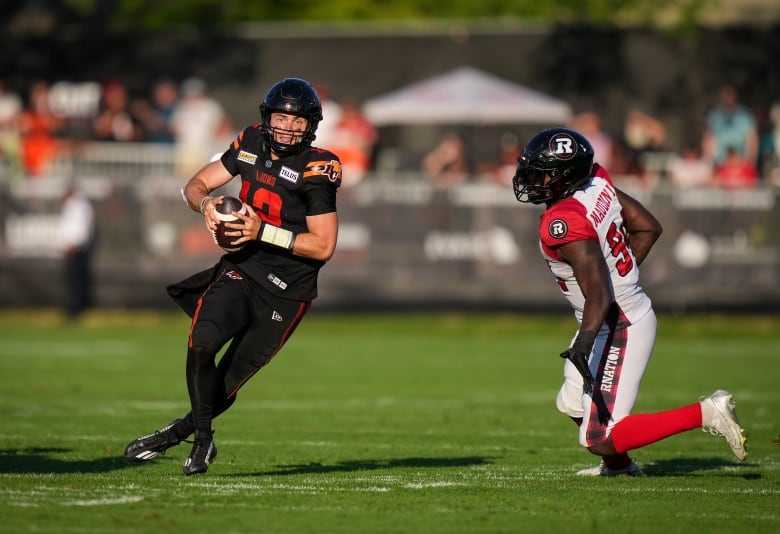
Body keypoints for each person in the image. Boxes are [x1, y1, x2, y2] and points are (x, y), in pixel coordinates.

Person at [124, 78, 342, 475]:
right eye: (281, 118)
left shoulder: (318, 166)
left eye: (297, 122)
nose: (288, 128)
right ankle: (203, 442)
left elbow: (323, 246)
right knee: (202, 340)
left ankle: (175, 435)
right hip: (244, 267)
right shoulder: (251, 141)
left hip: (287, 291)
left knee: (226, 385)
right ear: (267, 118)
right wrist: (205, 203)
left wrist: (261, 231)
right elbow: (195, 184)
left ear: (311, 125)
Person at [511, 127, 747, 476]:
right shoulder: (595, 184)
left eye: (541, 173)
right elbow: (648, 227)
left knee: (599, 437)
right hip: (611, 315)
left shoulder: (562, 221)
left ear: (564, 177)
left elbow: (600, 293)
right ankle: (619, 468)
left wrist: (588, 338)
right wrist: (620, 278)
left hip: (619, 323)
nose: (531, 178)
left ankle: (707, 413)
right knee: (571, 401)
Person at [59, 183, 96, 320]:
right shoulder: (71, 205)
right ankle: (72, 309)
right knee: (72, 281)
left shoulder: (79, 206)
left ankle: (76, 311)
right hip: (71, 249)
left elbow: (81, 228)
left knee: (77, 282)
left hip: (77, 250)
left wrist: (73, 245)